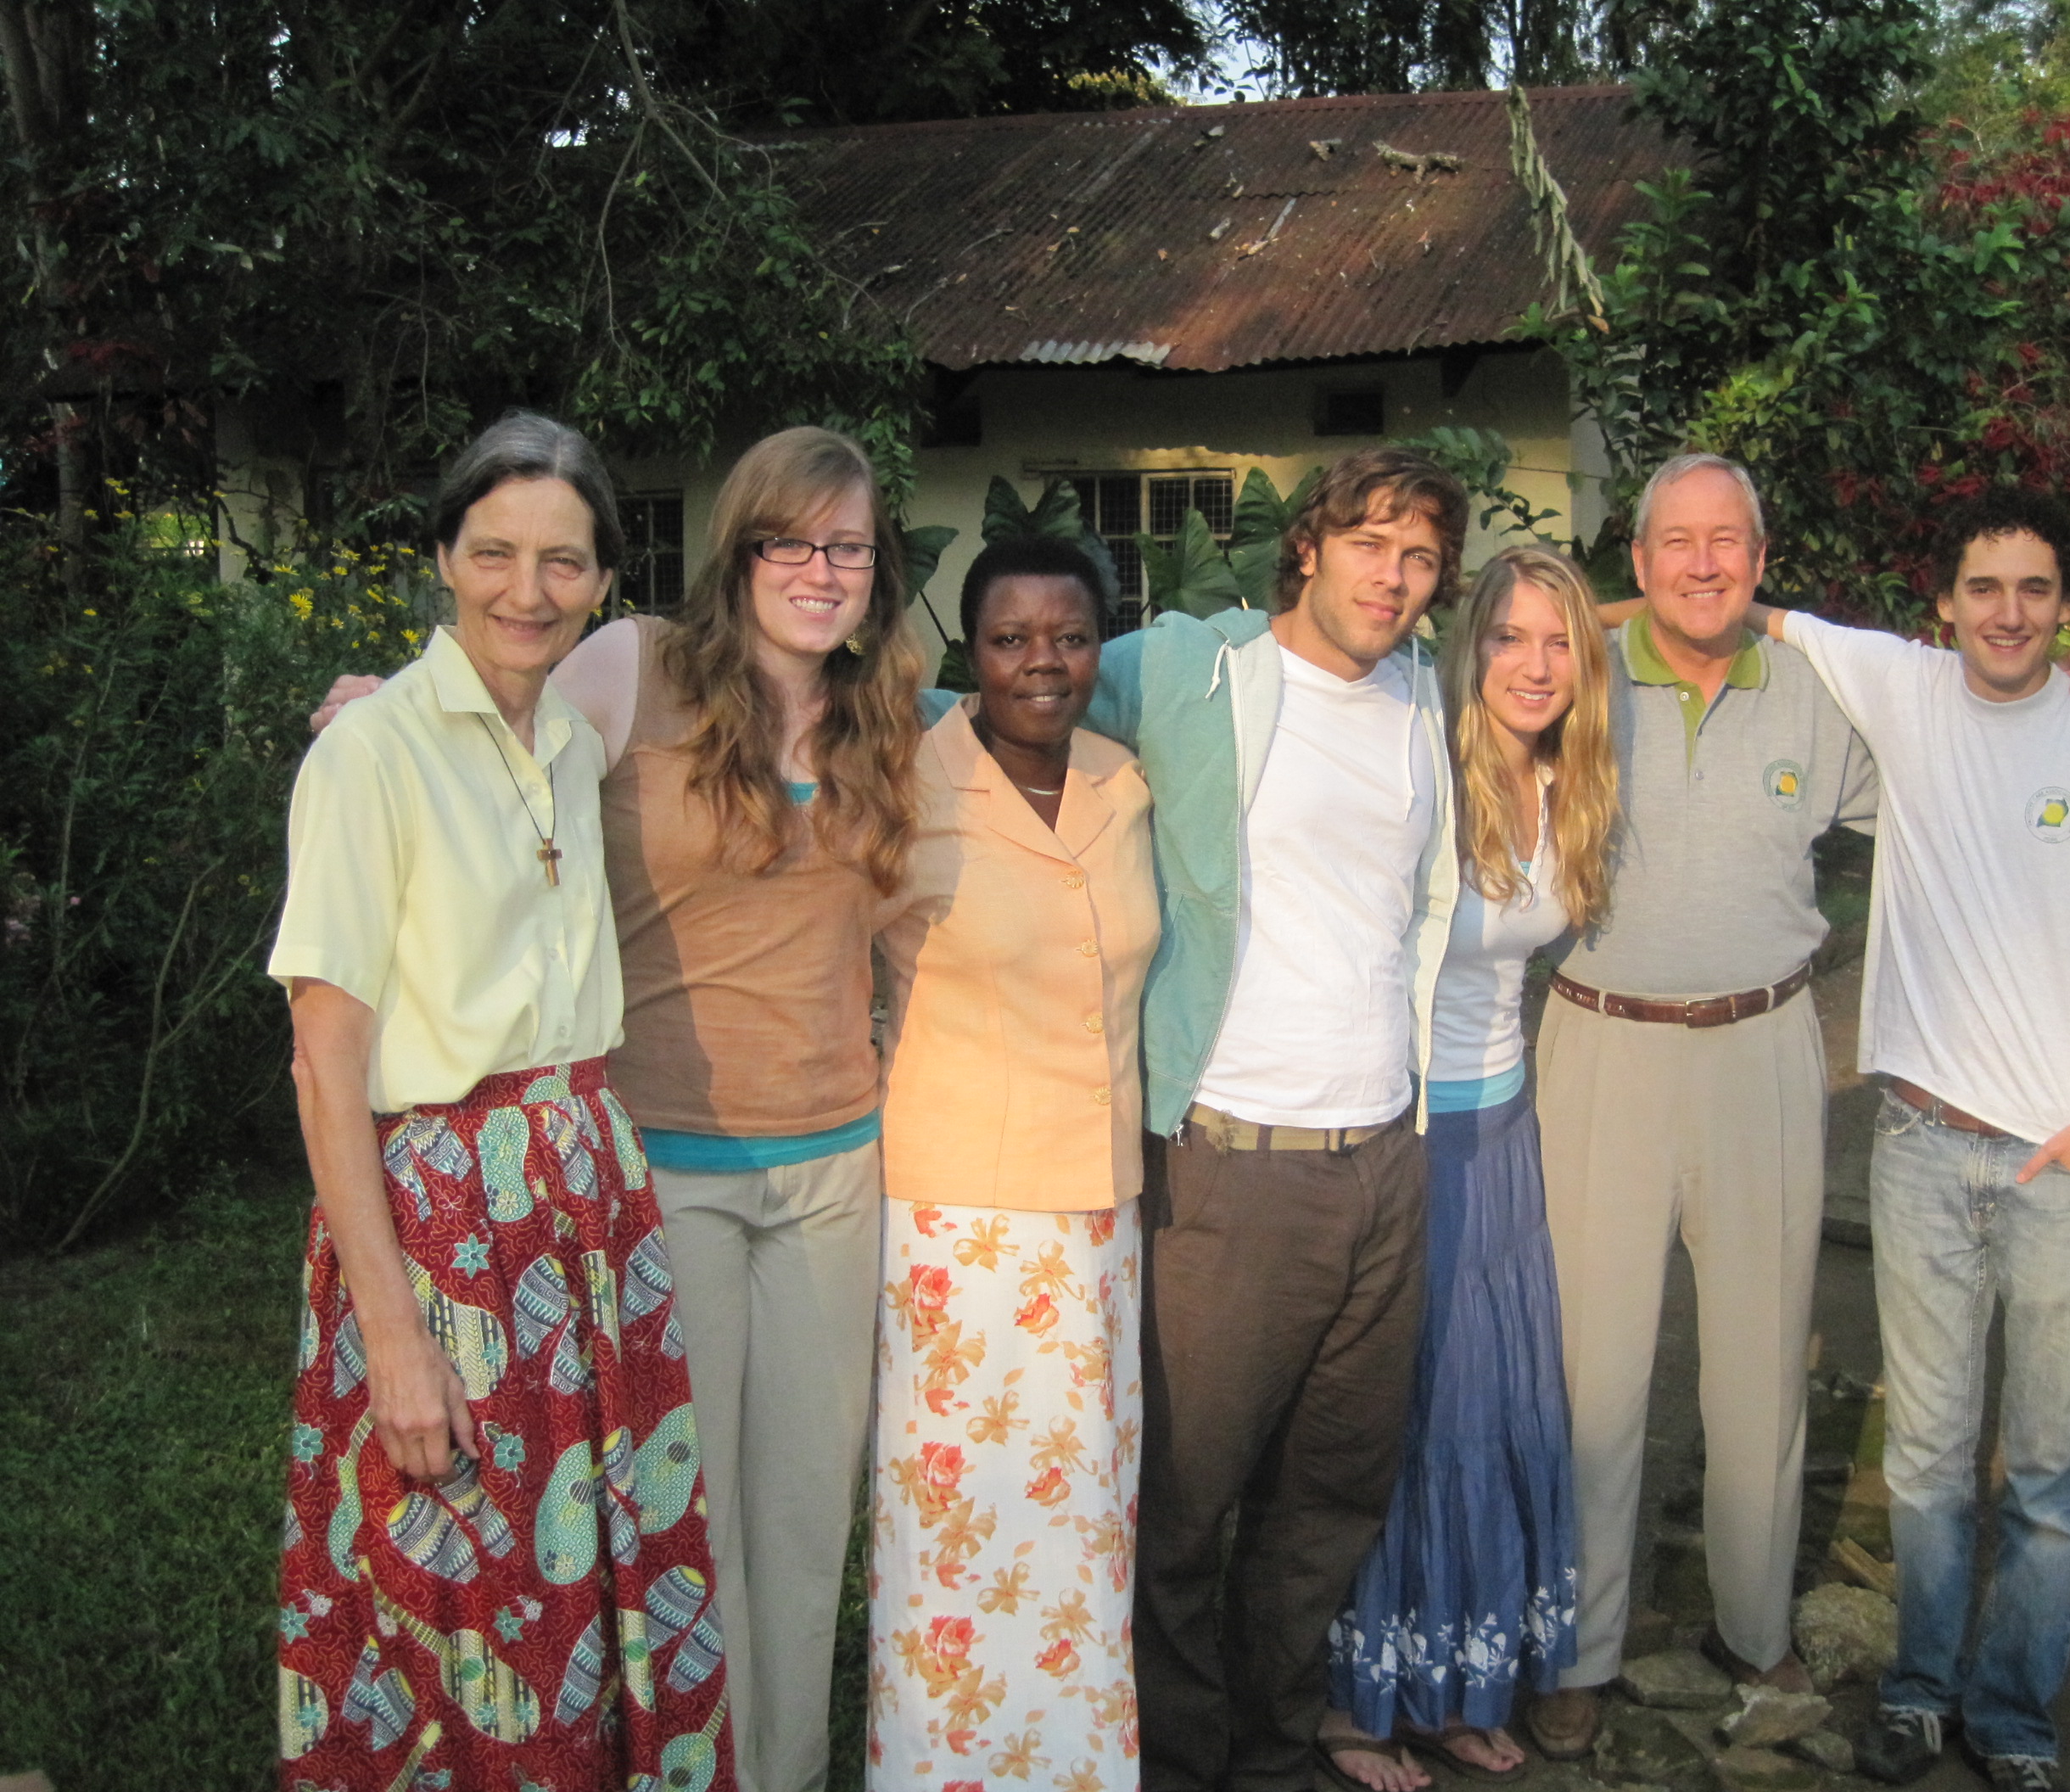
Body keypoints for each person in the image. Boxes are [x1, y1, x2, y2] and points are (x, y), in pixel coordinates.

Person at [310, 424, 926, 1792]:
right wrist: (386, 718)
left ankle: (786, 1773)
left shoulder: (894, 707)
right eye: (790, 540)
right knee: (682, 1533)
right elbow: (495, 747)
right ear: (739, 548)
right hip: (660, 1171)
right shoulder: (636, 665)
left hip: (836, 1164)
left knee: (805, 1521)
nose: (818, 571)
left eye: (848, 546)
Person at [1527, 455, 2070, 1763]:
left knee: (1763, 1362)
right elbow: (1483, 647)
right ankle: (1578, 1646)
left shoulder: (1822, 694)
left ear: (1760, 553)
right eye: (1675, 544)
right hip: (1601, 1045)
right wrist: (1588, 627)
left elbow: (1976, 738)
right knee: (1595, 1373)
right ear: (1636, 567)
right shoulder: (1569, 679)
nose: (1702, 565)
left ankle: (1752, 1628)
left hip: (1766, 1047)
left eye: (1727, 542)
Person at [271, 413, 731, 1789]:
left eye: (564, 562)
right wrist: (396, 1340)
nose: (526, 591)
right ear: (442, 560)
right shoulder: (370, 757)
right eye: (494, 554)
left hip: (587, 1200)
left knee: (594, 1579)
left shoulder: (572, 748)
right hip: (447, 1225)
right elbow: (322, 1066)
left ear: (603, 582)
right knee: (462, 1594)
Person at [1748, 490, 2070, 1792]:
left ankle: (2013, 1718)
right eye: (1985, 589)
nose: (2010, 612)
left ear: (2066, 611)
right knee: (1933, 1461)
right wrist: (1522, 613)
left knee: (2051, 1478)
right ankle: (1919, 1691)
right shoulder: (1901, 688)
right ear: (1942, 606)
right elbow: (1723, 600)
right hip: (1921, 1149)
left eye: (2036, 590)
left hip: (2065, 1170)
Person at [1081, 446, 1466, 1792]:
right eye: (1371, 543)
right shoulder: (1193, 671)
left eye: (1419, 557)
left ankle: (1274, 1752)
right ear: (1307, 546)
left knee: (1330, 1493)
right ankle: (1176, 1766)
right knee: (1188, 1509)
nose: (1394, 576)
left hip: (1383, 1159)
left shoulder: (1425, 696)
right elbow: (1021, 679)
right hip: (1232, 1162)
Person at [1321, 546, 1620, 1791]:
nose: (1536, 666)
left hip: (1505, 1135)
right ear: (1467, 650)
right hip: (1403, 1129)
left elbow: (1695, 622)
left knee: (1488, 1414)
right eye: (1508, 638)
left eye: (1560, 642)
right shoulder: (1418, 767)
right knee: (1399, 1416)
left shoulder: (1573, 781)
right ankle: (1351, 1704)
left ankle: (1454, 1688)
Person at [867, 535, 1159, 1792]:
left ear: (1102, 646)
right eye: (1010, 639)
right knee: (956, 1527)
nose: (1043, 663)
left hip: (1099, 1216)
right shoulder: (900, 780)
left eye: (1070, 636)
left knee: (1082, 1520)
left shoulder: (1127, 780)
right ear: (966, 656)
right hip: (956, 1224)